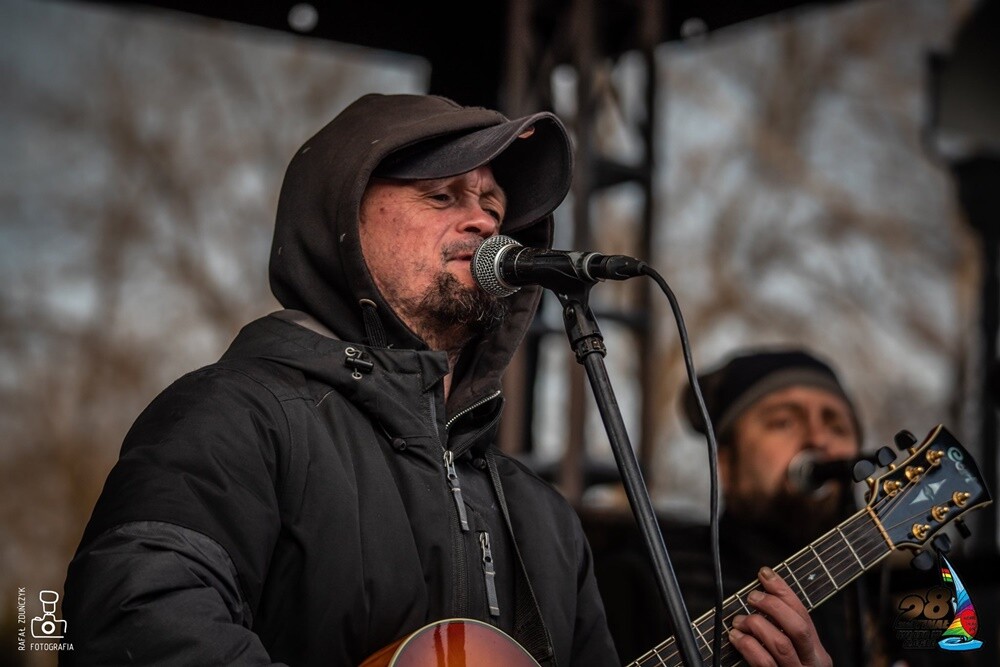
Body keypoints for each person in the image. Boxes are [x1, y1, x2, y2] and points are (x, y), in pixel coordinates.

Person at [61, 94, 833, 667]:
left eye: (493, 206)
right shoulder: (233, 417)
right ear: (339, 225)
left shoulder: (541, 517)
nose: (480, 221)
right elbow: (129, 627)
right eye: (441, 196)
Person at [593, 347, 880, 665]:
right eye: (784, 422)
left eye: (837, 426)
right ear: (727, 464)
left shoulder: (891, 609)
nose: (818, 439)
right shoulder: (644, 577)